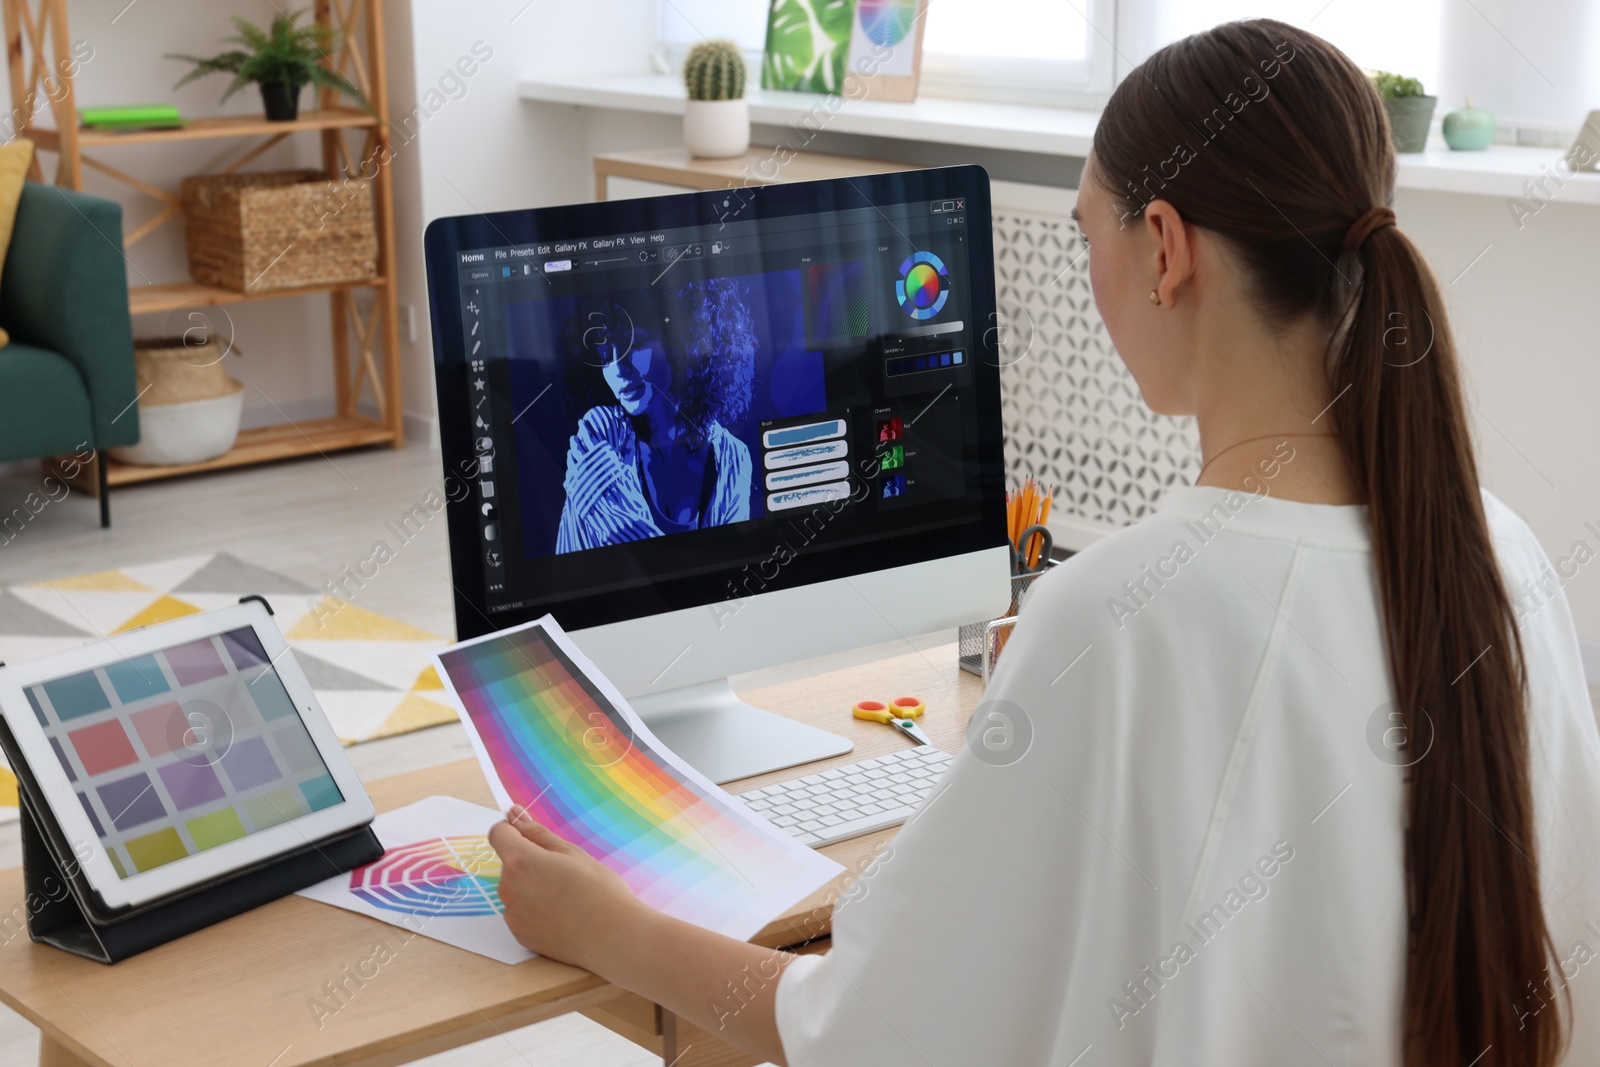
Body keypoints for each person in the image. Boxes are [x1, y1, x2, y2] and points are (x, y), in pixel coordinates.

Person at [490, 20, 1600, 1067]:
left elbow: (861, 1026)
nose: (1090, 269)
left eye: (1086, 231)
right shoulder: (1501, 557)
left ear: (1164, 247)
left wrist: (606, 924)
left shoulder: (1116, 615)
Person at [555, 280, 755, 551]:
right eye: (604, 352)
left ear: (683, 341)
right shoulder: (599, 433)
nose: (617, 368)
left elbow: (732, 561)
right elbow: (637, 555)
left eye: (634, 343)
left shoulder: (734, 456)